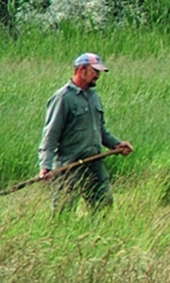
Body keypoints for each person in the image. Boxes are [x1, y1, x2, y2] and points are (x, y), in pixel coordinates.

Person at [38, 53, 133, 212]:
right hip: (69, 165)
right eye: (95, 71)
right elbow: (51, 135)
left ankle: (94, 234)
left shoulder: (94, 97)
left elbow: (100, 130)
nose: (98, 76)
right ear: (81, 70)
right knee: (63, 211)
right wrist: (45, 165)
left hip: (93, 162)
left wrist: (116, 144)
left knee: (104, 203)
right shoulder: (63, 98)